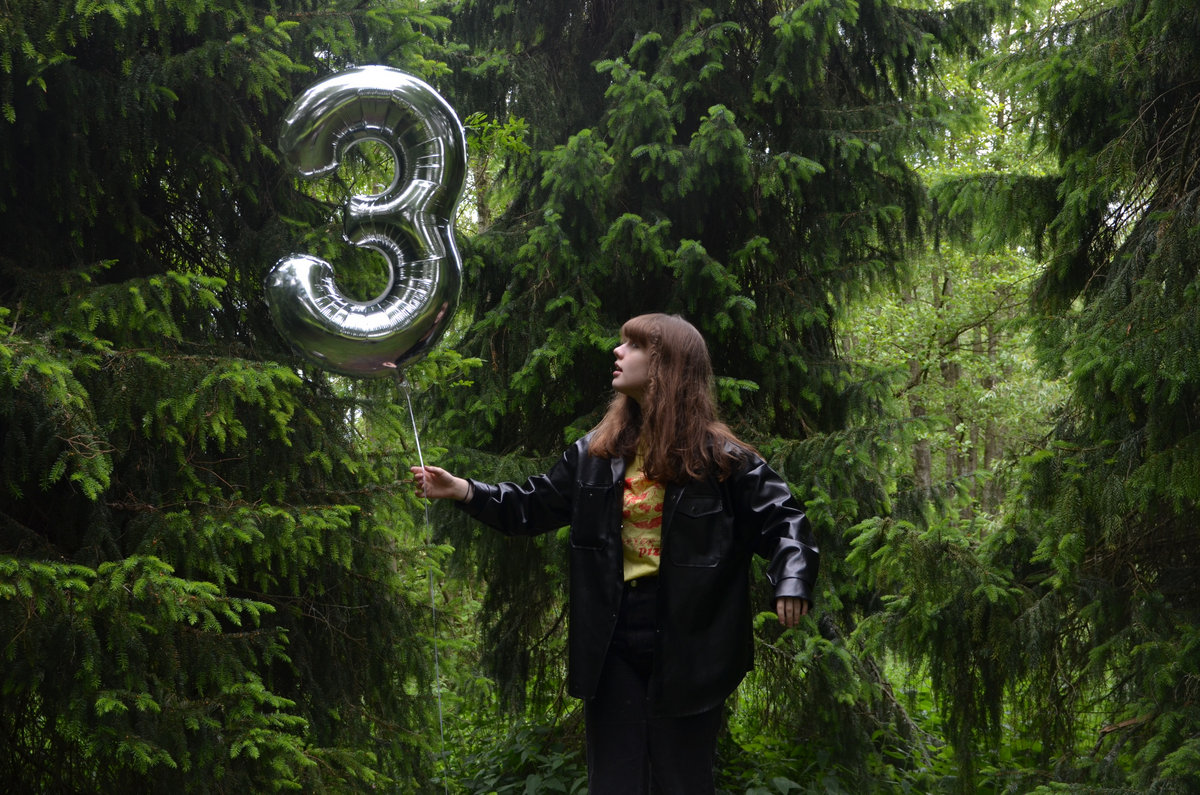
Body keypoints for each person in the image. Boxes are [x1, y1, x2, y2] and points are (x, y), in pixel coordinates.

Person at [411, 313, 819, 794]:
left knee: (683, 782)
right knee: (614, 782)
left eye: (634, 345)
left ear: (667, 364)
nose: (617, 352)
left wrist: (792, 580)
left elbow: (785, 521)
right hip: (611, 637)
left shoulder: (721, 458)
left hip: (691, 640)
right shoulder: (594, 454)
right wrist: (462, 489)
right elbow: (530, 506)